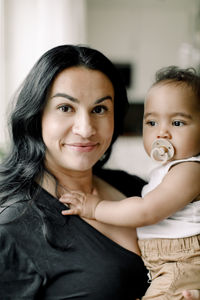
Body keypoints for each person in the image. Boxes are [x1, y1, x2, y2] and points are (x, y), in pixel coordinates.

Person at [60, 66, 200, 299]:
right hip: (166, 265)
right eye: (151, 123)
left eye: (177, 123)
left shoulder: (190, 170)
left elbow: (147, 211)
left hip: (181, 264)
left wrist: (95, 208)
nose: (162, 133)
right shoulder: (167, 171)